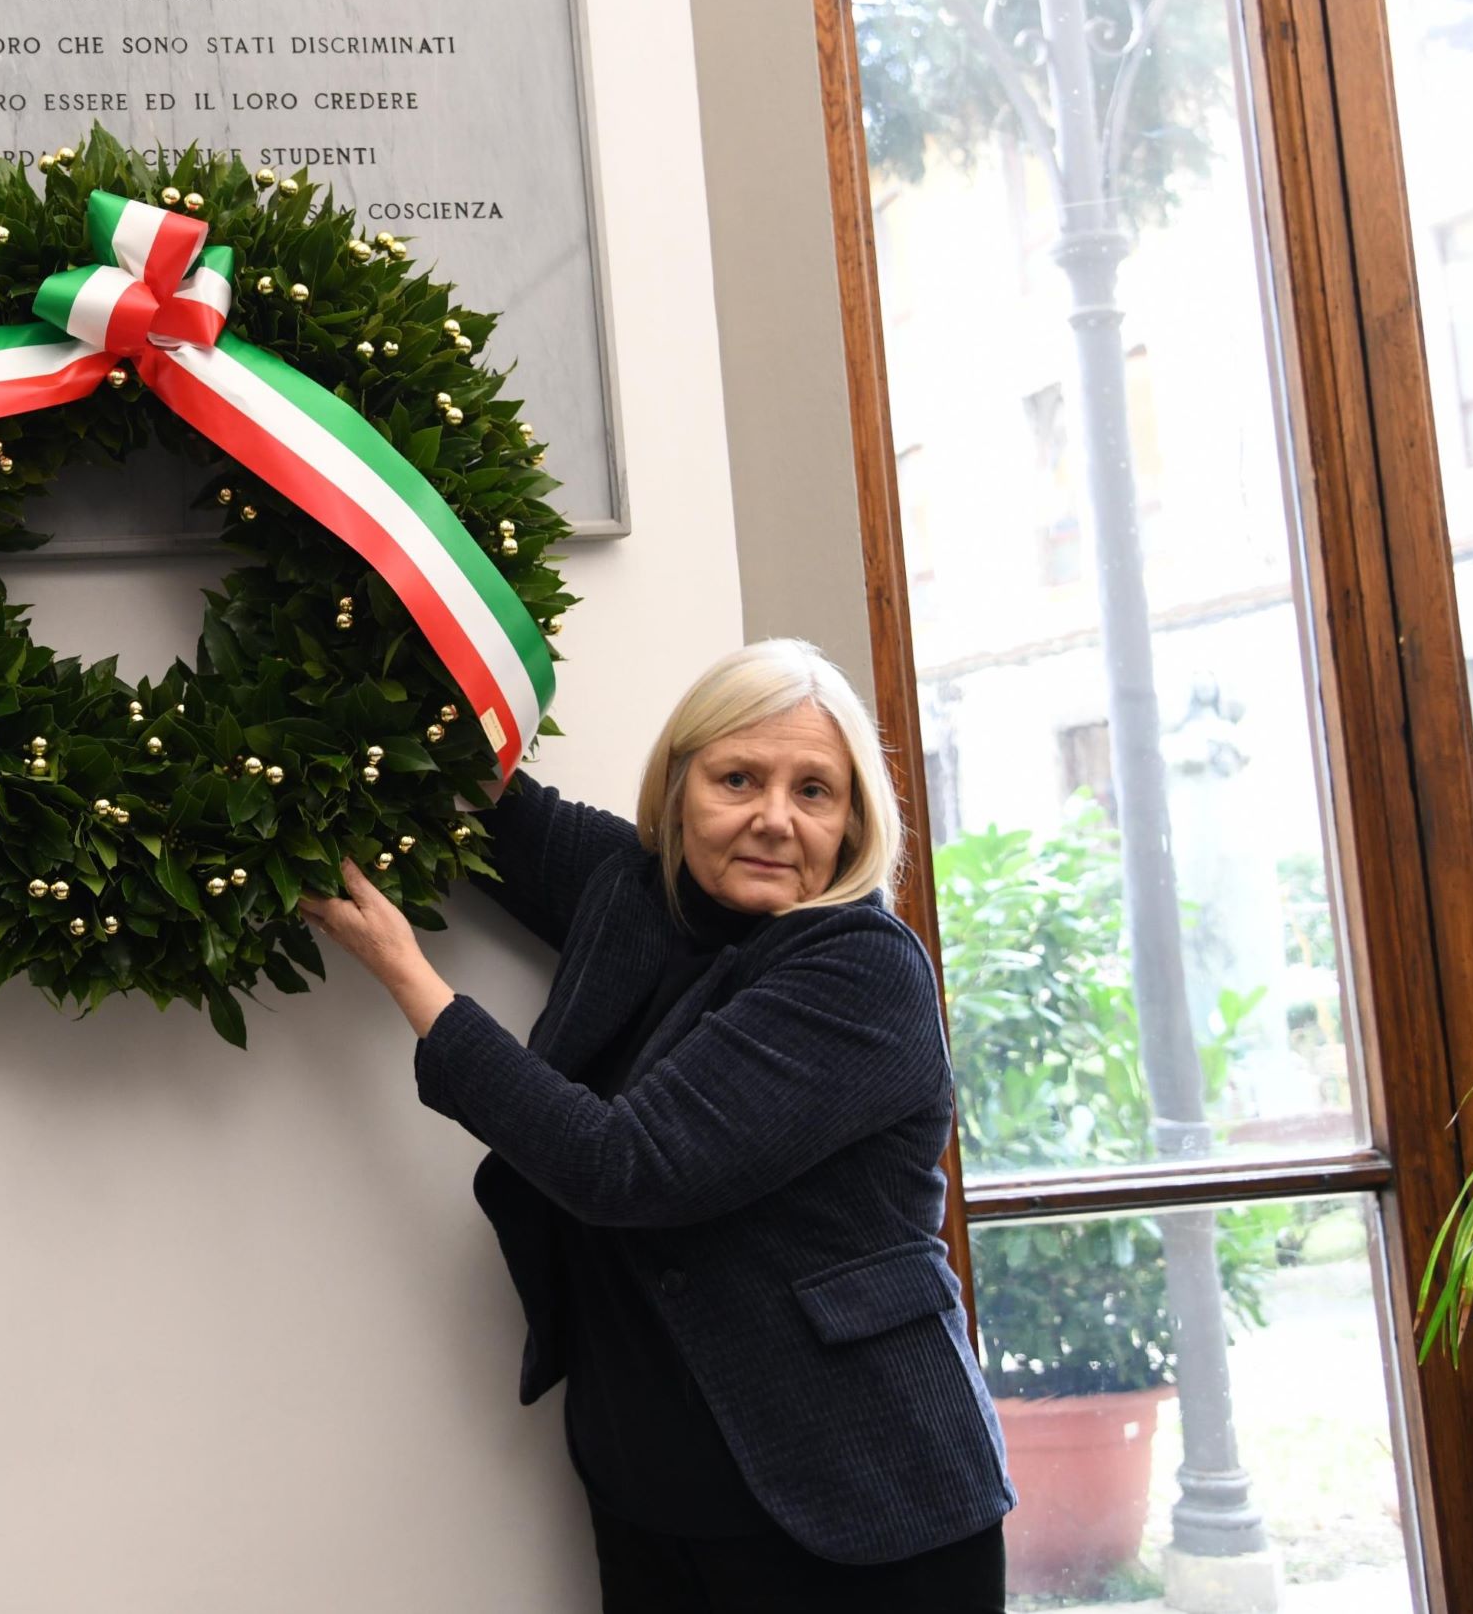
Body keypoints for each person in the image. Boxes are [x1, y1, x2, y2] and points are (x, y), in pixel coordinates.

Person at [301, 639, 1011, 1613]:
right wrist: (341, 642)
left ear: (852, 824)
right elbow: (476, 796)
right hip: (652, 1496)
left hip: (859, 1508)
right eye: (738, 778)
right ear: (680, 789)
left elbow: (625, 1166)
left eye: (815, 791)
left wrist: (408, 974)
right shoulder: (634, 892)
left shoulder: (864, 973)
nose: (773, 818)